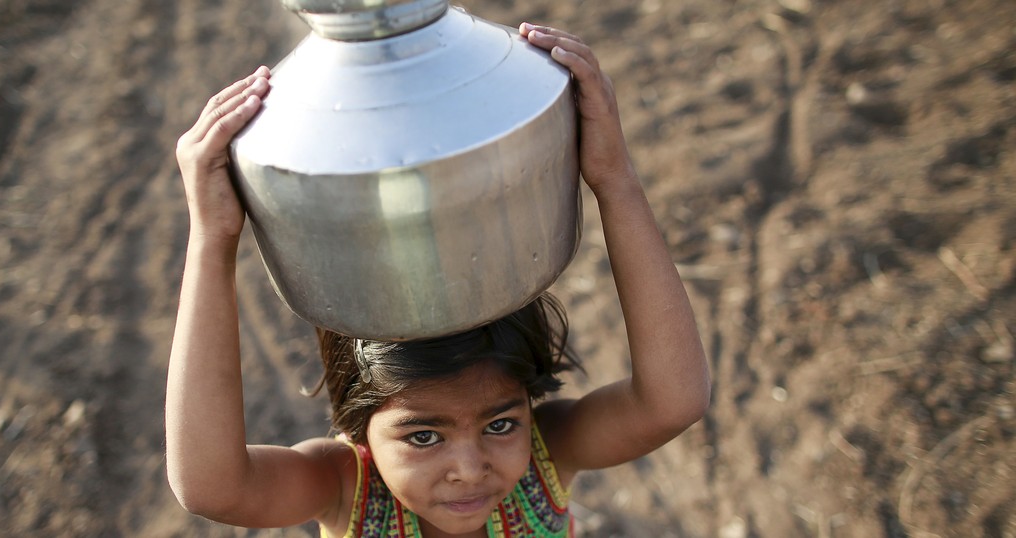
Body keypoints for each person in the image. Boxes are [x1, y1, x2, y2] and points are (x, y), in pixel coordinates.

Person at [166, 23, 711, 537]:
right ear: (358, 425)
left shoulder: (546, 459)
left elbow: (673, 401)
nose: (470, 470)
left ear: (527, 400)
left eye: (501, 424)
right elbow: (212, 487)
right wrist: (211, 240)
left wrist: (615, 179)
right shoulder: (343, 486)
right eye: (423, 436)